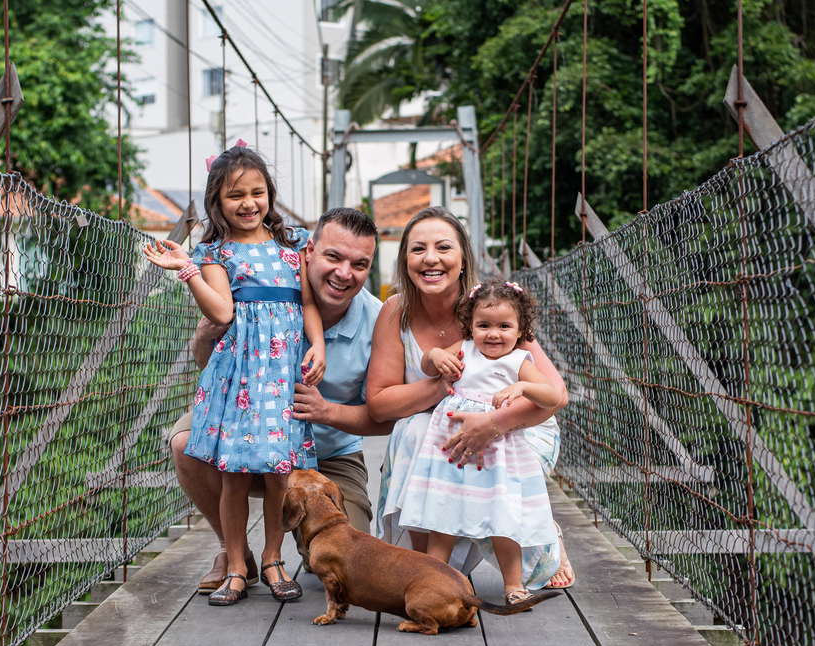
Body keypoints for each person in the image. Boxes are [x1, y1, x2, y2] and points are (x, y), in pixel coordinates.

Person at [164, 207, 391, 599]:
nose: (343, 273)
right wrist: (207, 335)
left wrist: (328, 411)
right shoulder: (255, 293)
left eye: (359, 264)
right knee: (185, 441)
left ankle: (281, 555)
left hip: (328, 457)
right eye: (333, 257)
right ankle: (234, 553)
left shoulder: (378, 320)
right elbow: (214, 369)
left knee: (345, 564)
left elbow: (384, 417)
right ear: (307, 253)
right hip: (251, 437)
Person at [143, 145, 325, 606]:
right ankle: (238, 563)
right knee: (234, 476)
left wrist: (317, 344)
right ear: (217, 202)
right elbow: (222, 309)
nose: (248, 203)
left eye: (257, 192)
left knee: (279, 472)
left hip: (283, 375)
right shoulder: (214, 252)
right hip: (240, 378)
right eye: (234, 195)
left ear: (270, 194)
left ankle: (272, 558)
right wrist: (187, 270)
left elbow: (306, 304)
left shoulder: (293, 246)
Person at [366, 206, 575, 594]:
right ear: (404, 260)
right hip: (447, 430)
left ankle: (540, 536)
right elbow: (379, 404)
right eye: (418, 249)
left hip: (519, 426)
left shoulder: (492, 309)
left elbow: (555, 394)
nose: (431, 258)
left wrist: (492, 425)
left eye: (443, 247)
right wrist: (443, 385)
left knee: (465, 453)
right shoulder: (395, 311)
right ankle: (429, 572)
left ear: (463, 259)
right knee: (413, 430)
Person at [404, 278, 561, 604]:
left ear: (520, 331)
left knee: (502, 519)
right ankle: (435, 582)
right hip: (453, 452)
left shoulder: (519, 361)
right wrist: (433, 354)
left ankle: (513, 585)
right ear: (469, 326)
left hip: (497, 455)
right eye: (483, 325)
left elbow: (551, 394)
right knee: (441, 517)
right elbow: (424, 365)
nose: (493, 333)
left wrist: (523, 388)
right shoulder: (464, 349)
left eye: (505, 326)